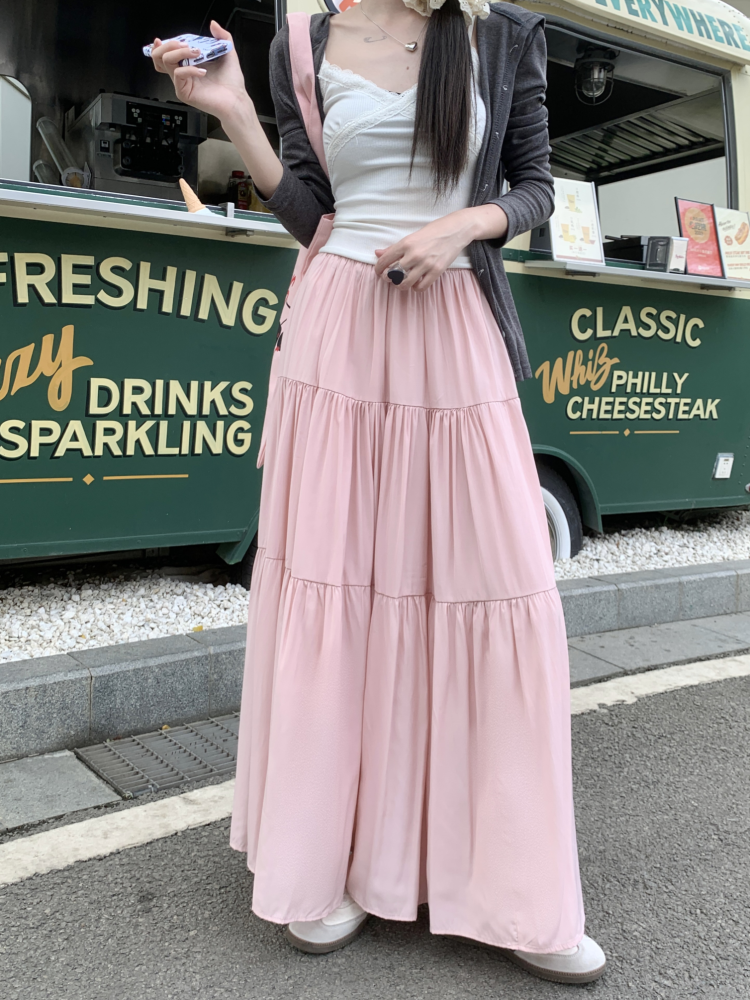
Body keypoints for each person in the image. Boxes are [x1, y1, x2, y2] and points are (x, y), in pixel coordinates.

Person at [151, 0, 606, 984]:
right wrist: (234, 111)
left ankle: (518, 886)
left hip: (456, 329)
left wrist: (463, 228)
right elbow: (312, 214)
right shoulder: (304, 40)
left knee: (500, 584)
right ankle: (333, 862)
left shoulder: (501, 32)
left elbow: (536, 186)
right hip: (338, 338)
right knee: (337, 586)